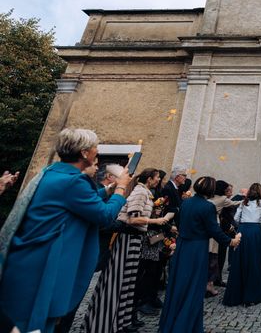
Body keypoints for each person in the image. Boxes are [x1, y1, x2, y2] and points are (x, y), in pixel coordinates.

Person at [0, 128, 130, 333]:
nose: (97, 152)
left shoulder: (52, 172)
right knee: (33, 323)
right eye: (95, 147)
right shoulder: (73, 181)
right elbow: (104, 216)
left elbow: (77, 198)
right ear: (85, 153)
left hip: (25, 259)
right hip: (42, 264)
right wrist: (121, 188)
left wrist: (107, 189)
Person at [85, 168, 168, 333]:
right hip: (128, 239)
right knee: (120, 282)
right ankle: (107, 323)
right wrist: (156, 220)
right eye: (157, 177)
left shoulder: (145, 191)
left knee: (128, 284)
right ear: (149, 179)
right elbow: (132, 218)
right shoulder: (140, 192)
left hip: (135, 240)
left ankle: (120, 323)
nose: (158, 180)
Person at [159, 176, 241, 333]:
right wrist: (231, 241)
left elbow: (182, 223)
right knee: (194, 287)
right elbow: (214, 230)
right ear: (211, 190)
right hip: (196, 249)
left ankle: (172, 323)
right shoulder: (207, 207)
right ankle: (185, 326)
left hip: (183, 247)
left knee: (178, 286)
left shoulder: (186, 202)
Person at [223, 183, 261, 306]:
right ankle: (256, 293)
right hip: (254, 232)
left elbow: (236, 218)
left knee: (241, 261)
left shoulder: (244, 202)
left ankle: (238, 294)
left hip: (243, 231)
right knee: (256, 261)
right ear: (260, 192)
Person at [207, 180, 242, 295]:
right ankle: (210, 284)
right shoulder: (222, 199)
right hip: (217, 230)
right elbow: (236, 204)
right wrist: (248, 200)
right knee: (214, 256)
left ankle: (212, 280)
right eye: (227, 190)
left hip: (208, 229)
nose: (230, 192)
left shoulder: (209, 197)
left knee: (211, 257)